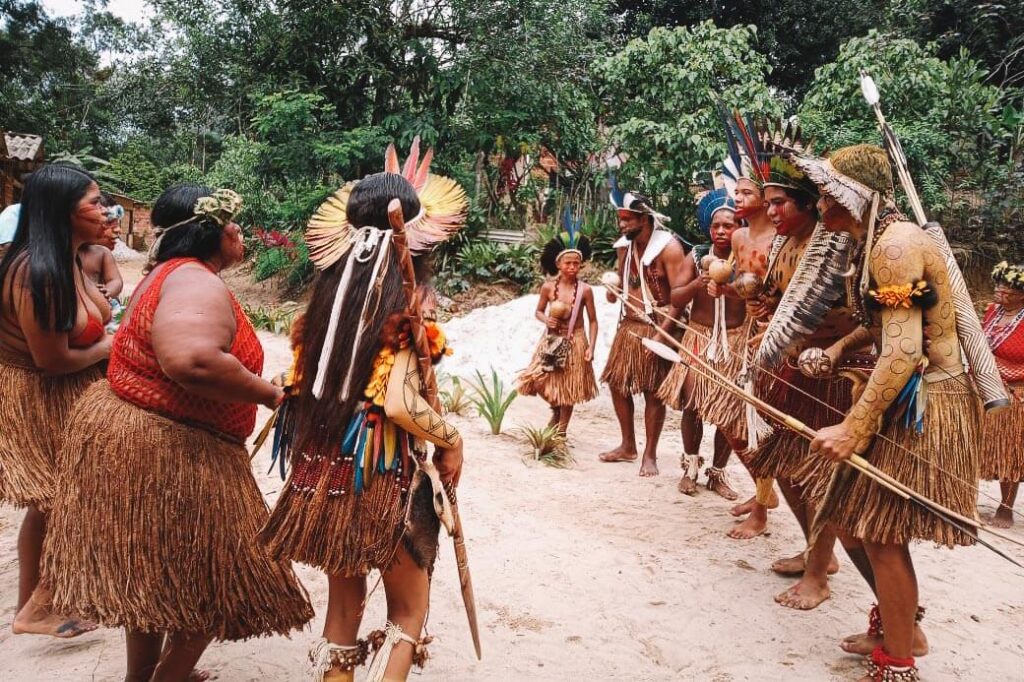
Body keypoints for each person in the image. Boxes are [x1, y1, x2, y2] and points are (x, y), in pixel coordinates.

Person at [41, 184, 313, 681]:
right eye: (232, 222)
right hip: (169, 443)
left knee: (153, 574)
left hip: (140, 434)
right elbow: (192, 358)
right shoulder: (195, 282)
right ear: (210, 228)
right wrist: (271, 395)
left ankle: (140, 676)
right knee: (221, 576)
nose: (239, 231)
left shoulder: (164, 274)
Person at [260, 140, 467, 682]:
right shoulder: (400, 303)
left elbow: (300, 388)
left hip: (321, 476)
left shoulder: (328, 303)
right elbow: (398, 402)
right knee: (408, 613)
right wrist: (451, 438)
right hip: (379, 477)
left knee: (342, 617)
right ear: (416, 237)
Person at [799, 144, 981, 680]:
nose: (819, 204)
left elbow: (903, 351)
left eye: (828, 192)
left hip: (928, 400)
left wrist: (856, 427)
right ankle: (902, 625)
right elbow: (887, 324)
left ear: (858, 194)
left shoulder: (896, 246)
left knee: (879, 532)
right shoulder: (876, 240)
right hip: (907, 393)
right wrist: (835, 351)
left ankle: (898, 660)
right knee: (851, 519)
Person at [742, 125, 859, 609]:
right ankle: (818, 551)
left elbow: (864, 318)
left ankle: (818, 574)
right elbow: (775, 305)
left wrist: (832, 350)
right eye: (767, 203)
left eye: (780, 203)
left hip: (829, 379)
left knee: (821, 476)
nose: (771, 212)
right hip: (787, 369)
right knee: (785, 468)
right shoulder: (783, 246)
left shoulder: (838, 248)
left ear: (811, 204)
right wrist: (745, 293)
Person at [0, 164, 111, 639]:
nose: (106, 210)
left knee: (59, 499)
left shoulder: (69, 259)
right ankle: (34, 607)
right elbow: (53, 359)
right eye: (94, 202)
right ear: (62, 212)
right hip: (43, 394)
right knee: (56, 498)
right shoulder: (37, 272)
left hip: (68, 392)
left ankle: (44, 600)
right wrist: (117, 344)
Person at [657, 188, 744, 499]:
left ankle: (718, 474)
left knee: (729, 411)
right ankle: (691, 467)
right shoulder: (695, 256)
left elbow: (757, 297)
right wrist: (699, 282)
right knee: (692, 405)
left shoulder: (747, 257)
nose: (721, 231)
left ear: (739, 227)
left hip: (736, 342)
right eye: (716, 226)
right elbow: (675, 298)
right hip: (699, 338)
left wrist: (730, 286)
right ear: (709, 228)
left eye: (728, 225)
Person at [599, 184, 687, 476]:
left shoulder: (669, 248)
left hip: (656, 325)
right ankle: (628, 445)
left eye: (628, 220)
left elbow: (678, 298)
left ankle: (650, 454)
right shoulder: (625, 246)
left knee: (652, 391)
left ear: (644, 219)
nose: (622, 225)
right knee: (616, 383)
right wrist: (612, 291)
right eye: (620, 219)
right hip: (629, 325)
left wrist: (663, 335)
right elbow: (624, 289)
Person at [517, 208, 598, 434]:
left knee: (568, 387)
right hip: (552, 339)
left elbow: (593, 320)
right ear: (558, 264)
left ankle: (561, 430)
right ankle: (555, 409)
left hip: (575, 340)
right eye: (567, 263)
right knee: (541, 381)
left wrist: (591, 346)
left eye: (576, 264)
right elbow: (538, 311)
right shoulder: (547, 287)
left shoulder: (585, 291)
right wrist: (546, 320)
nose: (572, 267)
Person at [981, 261, 1024, 528]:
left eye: (1007, 288)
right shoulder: (991, 312)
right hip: (987, 389)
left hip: (1017, 395)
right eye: (998, 285)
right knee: (977, 446)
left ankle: (1006, 507)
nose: (1000, 291)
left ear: (1022, 294)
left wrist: (1007, 371)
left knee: (1010, 452)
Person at [77, 193, 124, 300]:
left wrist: (108, 291)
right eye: (108, 223)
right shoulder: (57, 256)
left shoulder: (101, 253)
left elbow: (116, 281)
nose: (118, 230)